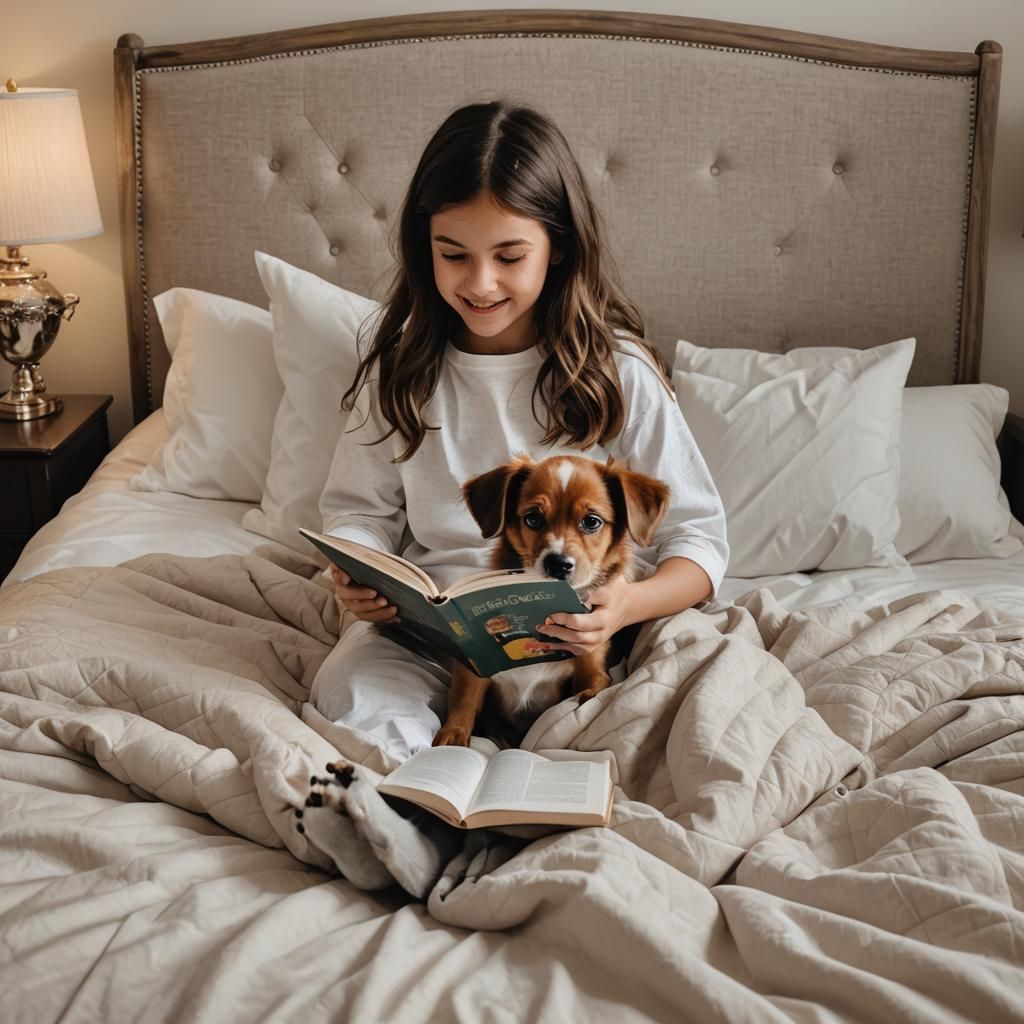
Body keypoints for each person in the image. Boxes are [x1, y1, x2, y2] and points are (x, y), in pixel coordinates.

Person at [313, 100, 727, 766]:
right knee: (347, 689)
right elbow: (358, 514)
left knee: (687, 697)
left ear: (557, 244)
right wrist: (356, 573)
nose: (480, 282)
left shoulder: (618, 371)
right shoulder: (402, 372)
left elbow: (701, 543)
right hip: (429, 642)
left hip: (584, 641)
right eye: (454, 255)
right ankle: (413, 800)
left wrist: (628, 605)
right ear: (426, 248)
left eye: (509, 255)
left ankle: (552, 785)